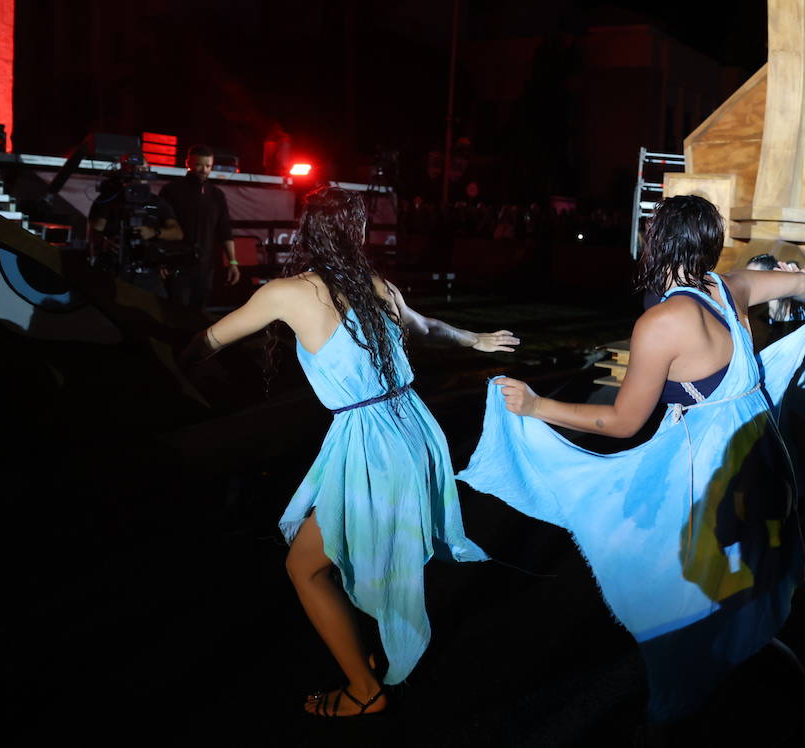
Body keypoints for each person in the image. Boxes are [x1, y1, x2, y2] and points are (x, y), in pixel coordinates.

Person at [462, 195, 805, 725]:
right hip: (765, 460)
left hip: (714, 473)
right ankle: (755, 667)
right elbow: (800, 284)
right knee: (745, 576)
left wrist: (537, 405)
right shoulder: (729, 288)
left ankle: (693, 704)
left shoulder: (662, 322)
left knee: (683, 588)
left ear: (656, 241)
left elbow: (624, 421)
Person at [180, 186, 518, 717]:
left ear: (306, 233)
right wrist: (474, 339)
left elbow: (210, 341)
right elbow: (427, 329)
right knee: (351, 550)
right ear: (357, 233)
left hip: (373, 444)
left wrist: (174, 359)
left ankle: (365, 690)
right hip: (414, 429)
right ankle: (369, 644)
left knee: (305, 568)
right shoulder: (377, 286)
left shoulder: (286, 293)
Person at [87, 157, 184, 295]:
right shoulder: (109, 199)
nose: (139, 174)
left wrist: (153, 232)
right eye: (135, 170)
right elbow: (94, 231)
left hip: (147, 274)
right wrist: (105, 243)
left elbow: (177, 233)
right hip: (114, 270)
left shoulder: (158, 203)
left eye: (143, 170)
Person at [161, 145, 240, 311]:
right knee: (175, 310)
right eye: (199, 164)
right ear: (188, 163)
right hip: (176, 262)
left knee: (199, 312)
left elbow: (225, 230)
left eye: (208, 166)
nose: (204, 170)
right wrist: (161, 261)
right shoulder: (171, 190)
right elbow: (161, 227)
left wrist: (233, 262)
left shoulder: (216, 195)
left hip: (205, 265)